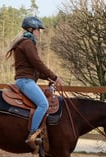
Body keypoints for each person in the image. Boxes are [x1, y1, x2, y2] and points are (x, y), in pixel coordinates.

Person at [6, 16, 63, 150]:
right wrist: (54, 77)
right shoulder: (27, 43)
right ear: (32, 29)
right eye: (38, 30)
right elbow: (37, 63)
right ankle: (33, 133)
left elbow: (34, 68)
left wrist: (46, 77)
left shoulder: (25, 43)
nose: (40, 32)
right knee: (43, 104)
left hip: (26, 80)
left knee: (42, 102)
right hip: (26, 81)